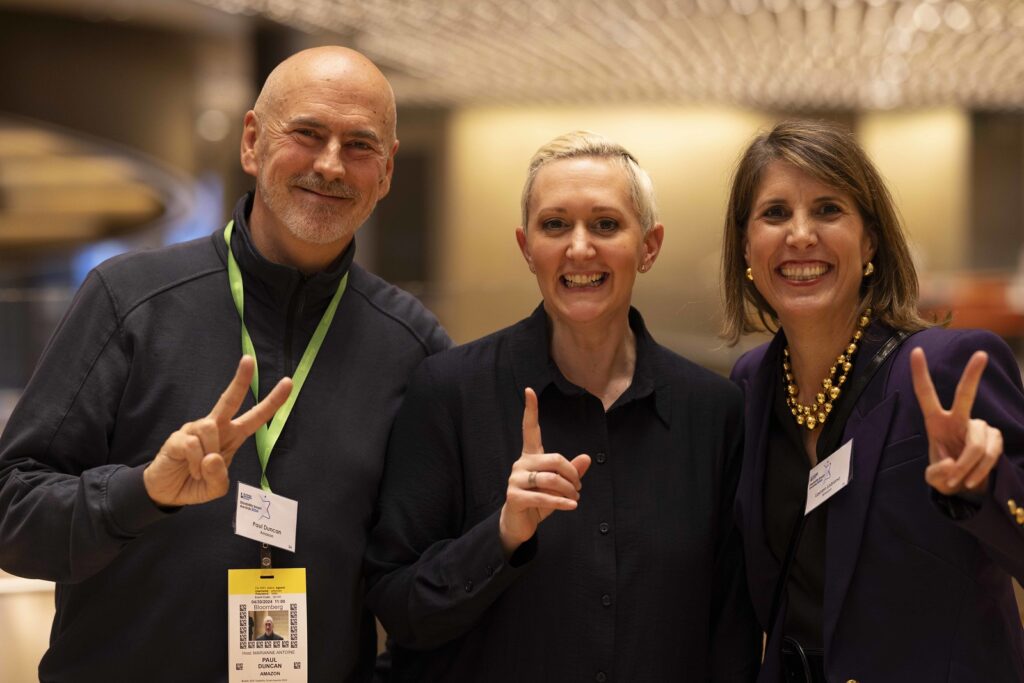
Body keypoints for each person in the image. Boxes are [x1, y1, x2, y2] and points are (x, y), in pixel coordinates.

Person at [0, 46, 449, 681]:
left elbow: (423, 574)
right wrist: (141, 493)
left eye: (359, 145)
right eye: (309, 133)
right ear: (252, 142)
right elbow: (11, 512)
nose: (330, 164)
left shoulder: (412, 346)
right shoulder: (129, 301)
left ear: (387, 170)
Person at [366, 131, 760, 681]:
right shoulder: (449, 391)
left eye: (605, 224)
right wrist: (501, 536)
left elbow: (731, 631)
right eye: (555, 225)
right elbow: (398, 607)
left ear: (649, 246)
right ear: (527, 248)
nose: (580, 248)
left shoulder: (714, 412)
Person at [722, 119, 1024, 682]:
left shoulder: (942, 369)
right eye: (776, 213)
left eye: (829, 209)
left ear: (870, 241)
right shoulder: (750, 385)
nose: (801, 235)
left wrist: (983, 488)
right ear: (745, 244)